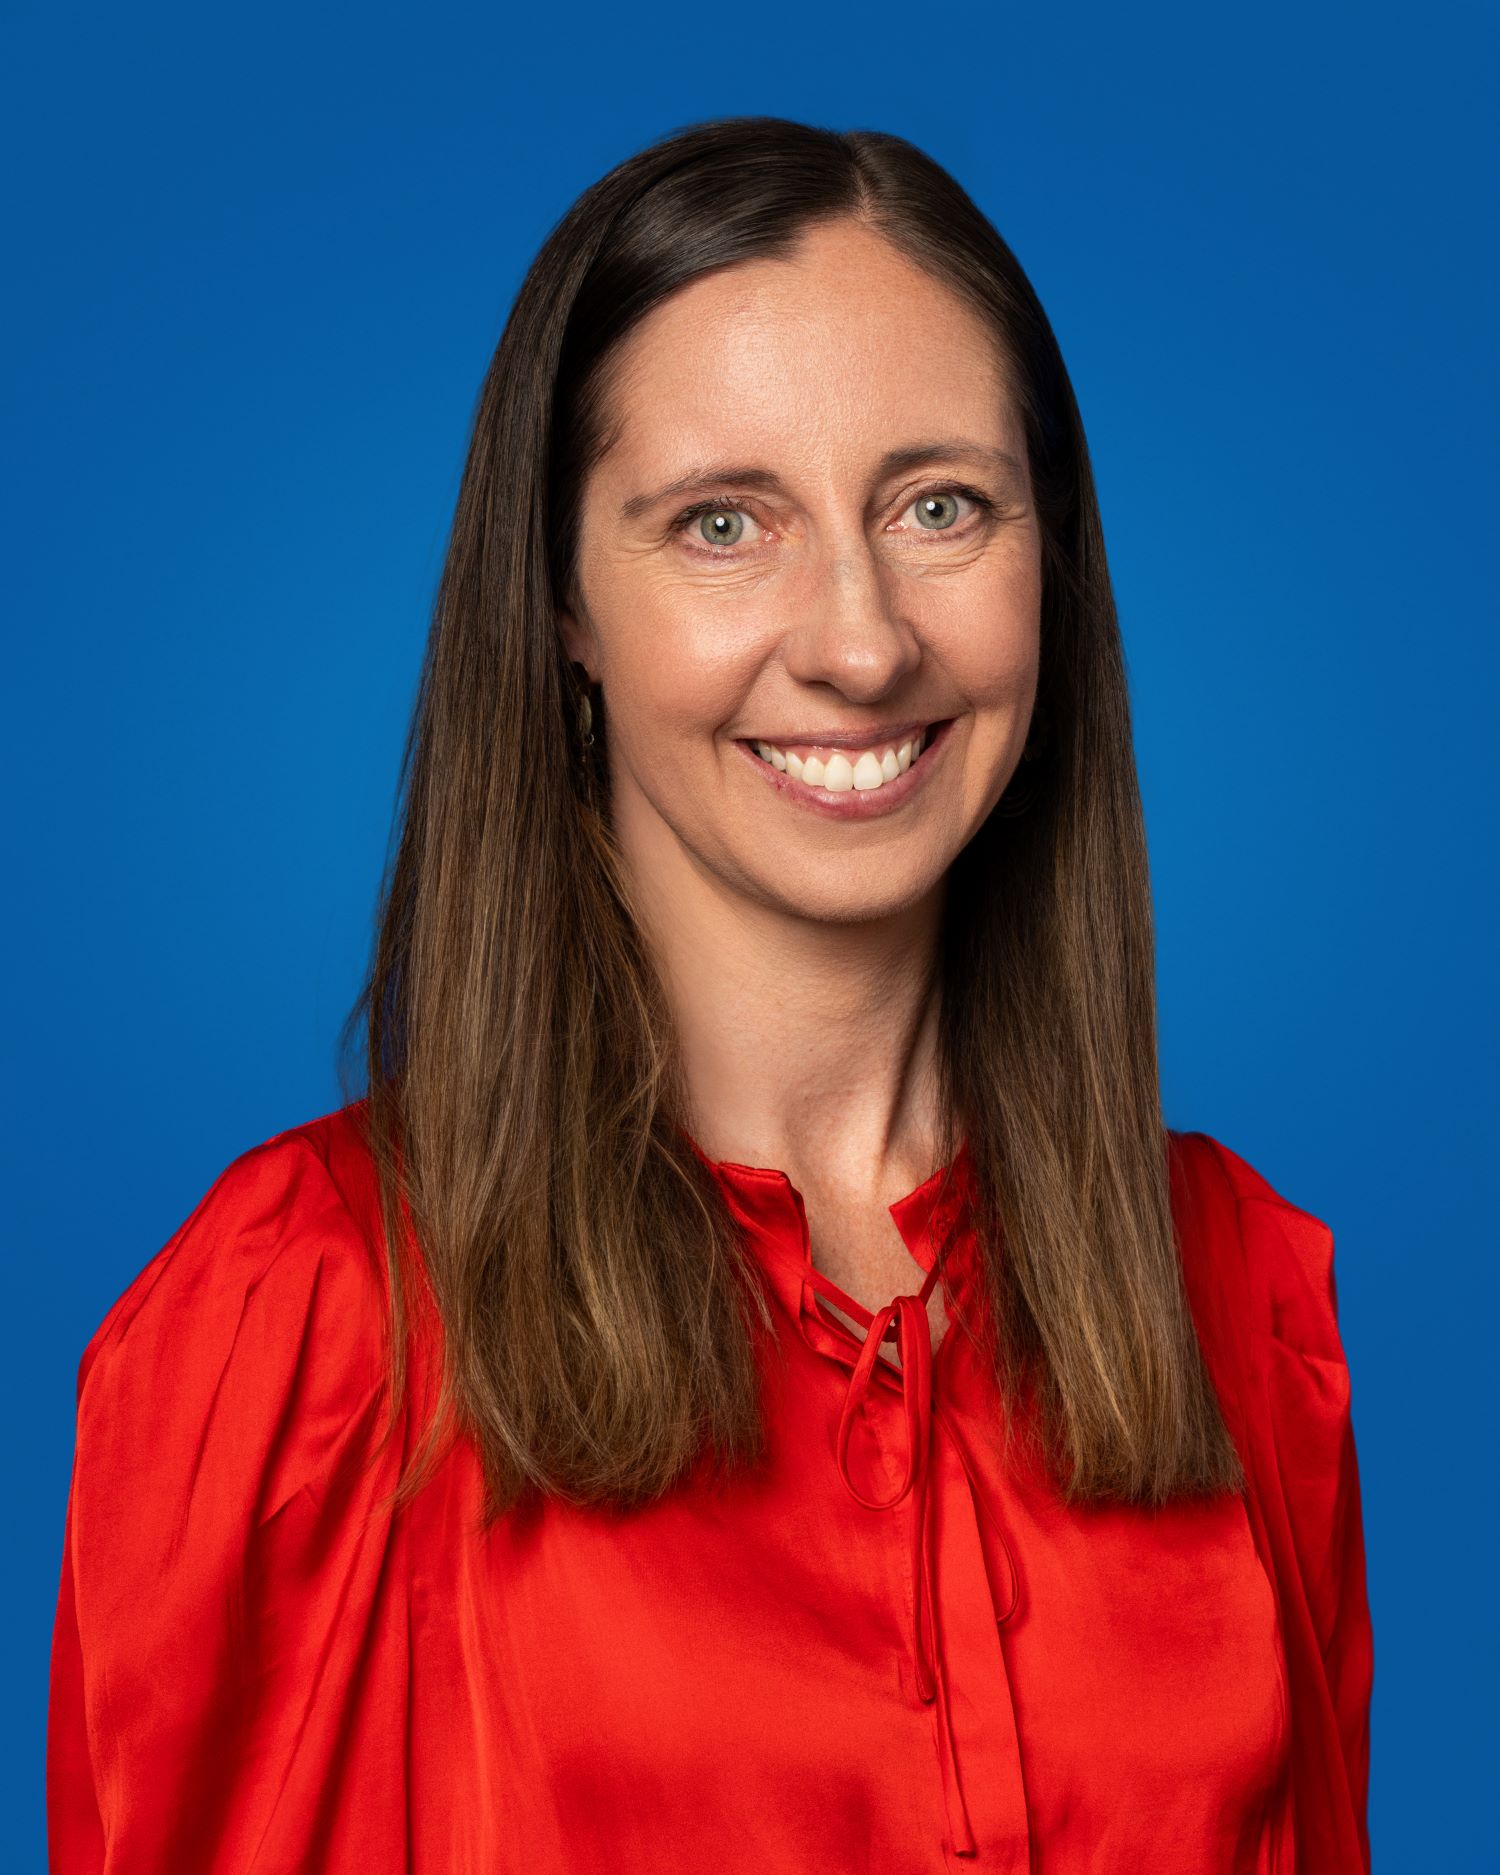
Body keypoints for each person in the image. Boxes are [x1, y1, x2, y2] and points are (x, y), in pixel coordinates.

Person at [46, 116, 1373, 1873]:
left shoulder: (1241, 1299)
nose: (861, 638)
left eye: (940, 505)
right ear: (564, 607)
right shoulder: (300, 1326)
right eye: (724, 521)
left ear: (1055, 559)